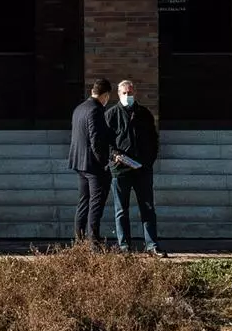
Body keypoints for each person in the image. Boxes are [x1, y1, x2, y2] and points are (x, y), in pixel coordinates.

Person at [104, 78, 164, 255]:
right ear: (118, 94)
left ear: (135, 92)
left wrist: (149, 161)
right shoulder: (111, 115)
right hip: (120, 169)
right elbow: (104, 141)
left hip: (142, 169)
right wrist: (114, 155)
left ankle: (152, 245)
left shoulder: (144, 114)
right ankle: (124, 247)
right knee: (121, 210)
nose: (127, 95)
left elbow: (153, 139)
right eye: (124, 93)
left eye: (130, 92)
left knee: (148, 208)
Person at [67, 78, 113, 245]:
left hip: (79, 162)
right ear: (105, 95)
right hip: (93, 165)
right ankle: (94, 242)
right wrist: (104, 162)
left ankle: (79, 241)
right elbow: (95, 139)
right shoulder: (96, 110)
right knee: (95, 204)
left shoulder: (79, 108)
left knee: (83, 202)